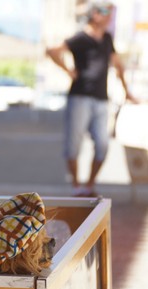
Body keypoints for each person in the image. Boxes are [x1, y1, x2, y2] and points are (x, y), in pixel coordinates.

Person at [46, 1, 138, 197]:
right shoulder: (80, 38)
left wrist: (127, 91)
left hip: (102, 99)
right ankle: (77, 187)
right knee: (74, 144)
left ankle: (89, 184)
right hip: (79, 97)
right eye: (106, 12)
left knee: (103, 145)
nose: (109, 16)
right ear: (95, 14)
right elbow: (52, 51)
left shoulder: (107, 38)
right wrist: (69, 71)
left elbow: (118, 65)